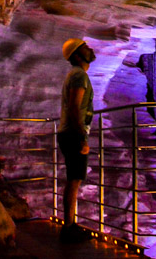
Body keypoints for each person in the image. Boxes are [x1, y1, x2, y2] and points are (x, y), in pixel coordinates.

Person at [58, 38, 96, 243]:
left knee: (74, 179)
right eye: (85, 48)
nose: (90, 50)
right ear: (77, 55)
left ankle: (70, 225)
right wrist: (82, 137)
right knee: (74, 180)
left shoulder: (77, 75)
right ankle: (69, 228)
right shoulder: (79, 75)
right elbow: (74, 107)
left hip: (70, 133)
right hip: (73, 134)